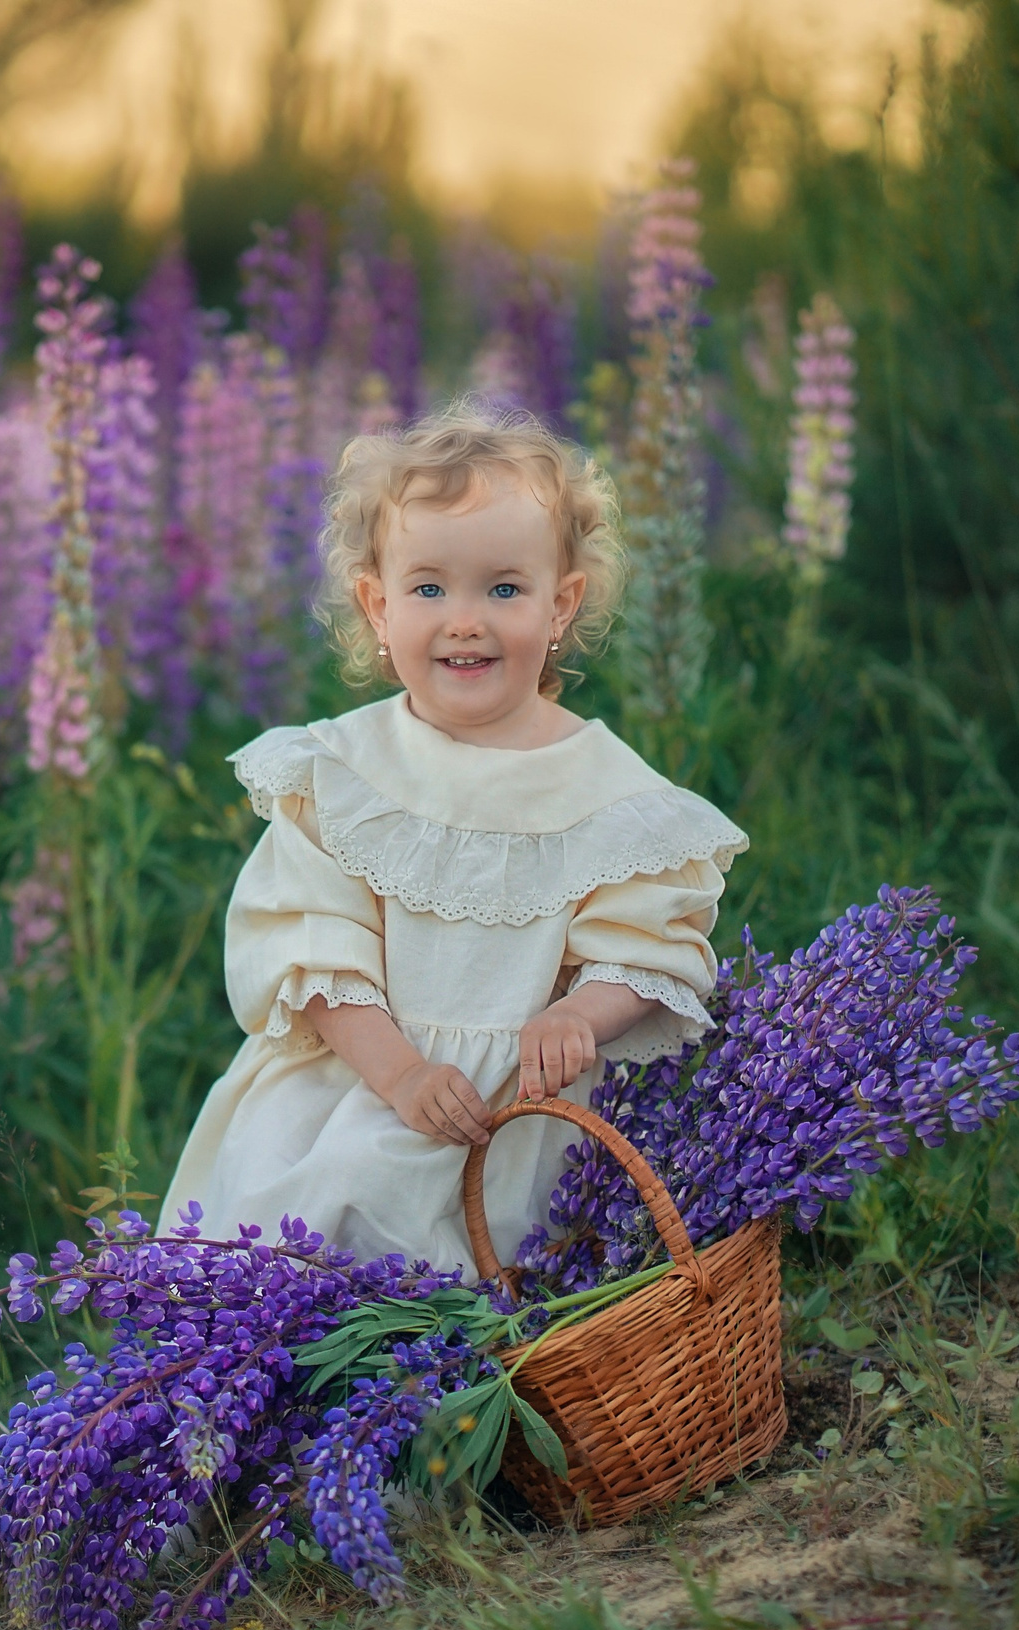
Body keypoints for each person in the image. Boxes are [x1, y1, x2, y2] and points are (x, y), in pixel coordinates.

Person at [164, 405, 748, 1274]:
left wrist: (579, 1013)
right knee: (327, 1212)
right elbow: (309, 949)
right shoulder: (343, 772)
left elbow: (646, 942)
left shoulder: (607, 792)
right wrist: (402, 1075)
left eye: (504, 589)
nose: (464, 619)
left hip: (521, 1120)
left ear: (561, 604)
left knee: (512, 1280)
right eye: (429, 588)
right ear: (378, 606)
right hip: (362, 1083)